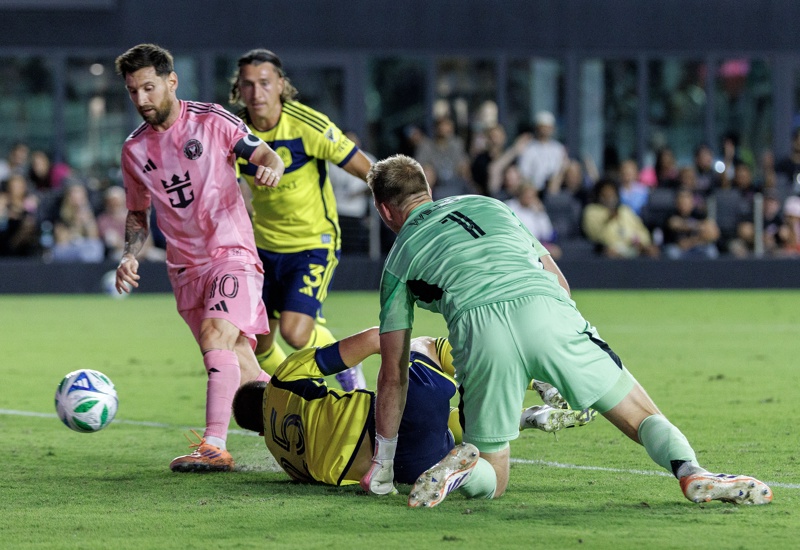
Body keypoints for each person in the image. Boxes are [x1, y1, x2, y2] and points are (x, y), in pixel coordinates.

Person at [360, 154, 772, 508]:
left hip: (479, 331)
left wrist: (384, 464)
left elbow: (393, 372)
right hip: (544, 306)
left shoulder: (397, 262)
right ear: (427, 189)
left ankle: (463, 473)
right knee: (639, 412)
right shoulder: (489, 205)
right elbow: (557, 280)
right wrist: (552, 362)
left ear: (384, 210)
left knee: (495, 475)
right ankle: (691, 471)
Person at [113, 43, 285, 472]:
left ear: (172, 82)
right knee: (246, 376)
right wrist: (129, 255)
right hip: (184, 270)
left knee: (215, 336)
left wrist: (270, 167)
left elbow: (263, 153)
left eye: (149, 88)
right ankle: (308, 424)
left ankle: (213, 445)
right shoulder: (133, 150)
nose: (142, 100)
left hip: (231, 255)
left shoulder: (211, 120)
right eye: (133, 91)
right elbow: (138, 213)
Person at [231, 327, 594, 497]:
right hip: (392, 418)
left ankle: (513, 429)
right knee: (424, 345)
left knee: (475, 464)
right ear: (264, 385)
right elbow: (377, 337)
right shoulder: (284, 378)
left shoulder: (282, 459)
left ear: (259, 431)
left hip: (409, 467)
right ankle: (533, 377)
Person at [229, 48, 373, 391]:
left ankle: (347, 366)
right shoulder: (235, 133)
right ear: (239, 88)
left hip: (312, 244)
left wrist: (402, 205)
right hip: (263, 250)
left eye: (264, 83)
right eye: (248, 85)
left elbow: (366, 169)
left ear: (281, 84)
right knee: (259, 342)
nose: (256, 92)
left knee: (295, 333)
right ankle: (299, 394)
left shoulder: (307, 124)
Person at [582, 177, 660, 258]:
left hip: (633, 250)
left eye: (612, 194)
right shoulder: (592, 211)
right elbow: (593, 235)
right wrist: (607, 220)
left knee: (652, 251)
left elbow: (643, 232)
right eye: (605, 195)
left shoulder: (625, 210)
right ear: (599, 195)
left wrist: (642, 242)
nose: (609, 198)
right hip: (608, 252)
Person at [517, 111, 569, 192]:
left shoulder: (559, 148)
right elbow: (524, 173)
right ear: (537, 128)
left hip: (557, 189)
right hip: (535, 190)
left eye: (548, 127)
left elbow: (562, 169)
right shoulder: (528, 148)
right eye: (543, 127)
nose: (545, 130)